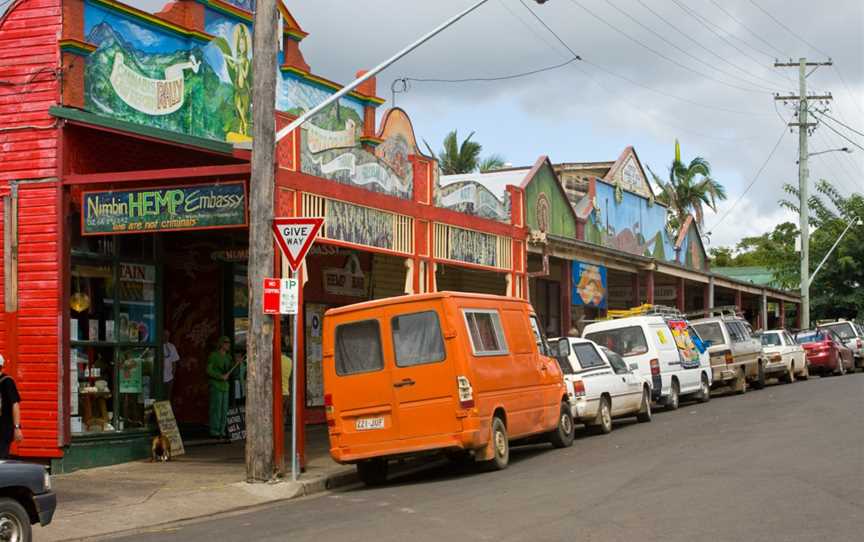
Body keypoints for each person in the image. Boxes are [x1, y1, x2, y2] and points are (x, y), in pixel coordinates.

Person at [207, 337, 233, 440]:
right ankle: (214, 431)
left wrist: (238, 363)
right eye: (226, 342)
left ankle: (222, 430)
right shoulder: (214, 356)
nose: (228, 344)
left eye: (229, 343)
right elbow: (208, 370)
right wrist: (220, 376)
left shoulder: (229, 357)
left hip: (225, 386)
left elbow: (231, 370)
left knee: (224, 409)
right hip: (216, 385)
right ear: (221, 344)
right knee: (216, 408)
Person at [0, 354, 22, 459]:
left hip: (4, 428)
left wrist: (17, 427)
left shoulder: (7, 381)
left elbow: (15, 404)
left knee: (1, 458)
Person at [163, 330, 181, 401]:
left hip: (169, 378)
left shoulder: (171, 346)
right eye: (164, 335)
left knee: (167, 399)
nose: (166, 337)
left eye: (167, 336)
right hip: (157, 379)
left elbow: (174, 362)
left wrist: (172, 376)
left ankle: (166, 412)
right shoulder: (155, 346)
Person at [281, 335, 293, 428]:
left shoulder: (274, 361)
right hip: (286, 392)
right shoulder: (289, 361)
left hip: (278, 393)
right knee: (284, 412)